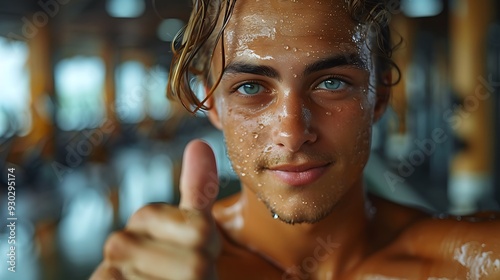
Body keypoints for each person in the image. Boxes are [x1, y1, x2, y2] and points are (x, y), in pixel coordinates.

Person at [91, 0, 500, 279]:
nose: (292, 133)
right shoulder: (158, 271)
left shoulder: (469, 263)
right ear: (211, 102)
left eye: (332, 82)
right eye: (251, 88)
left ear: (380, 95)